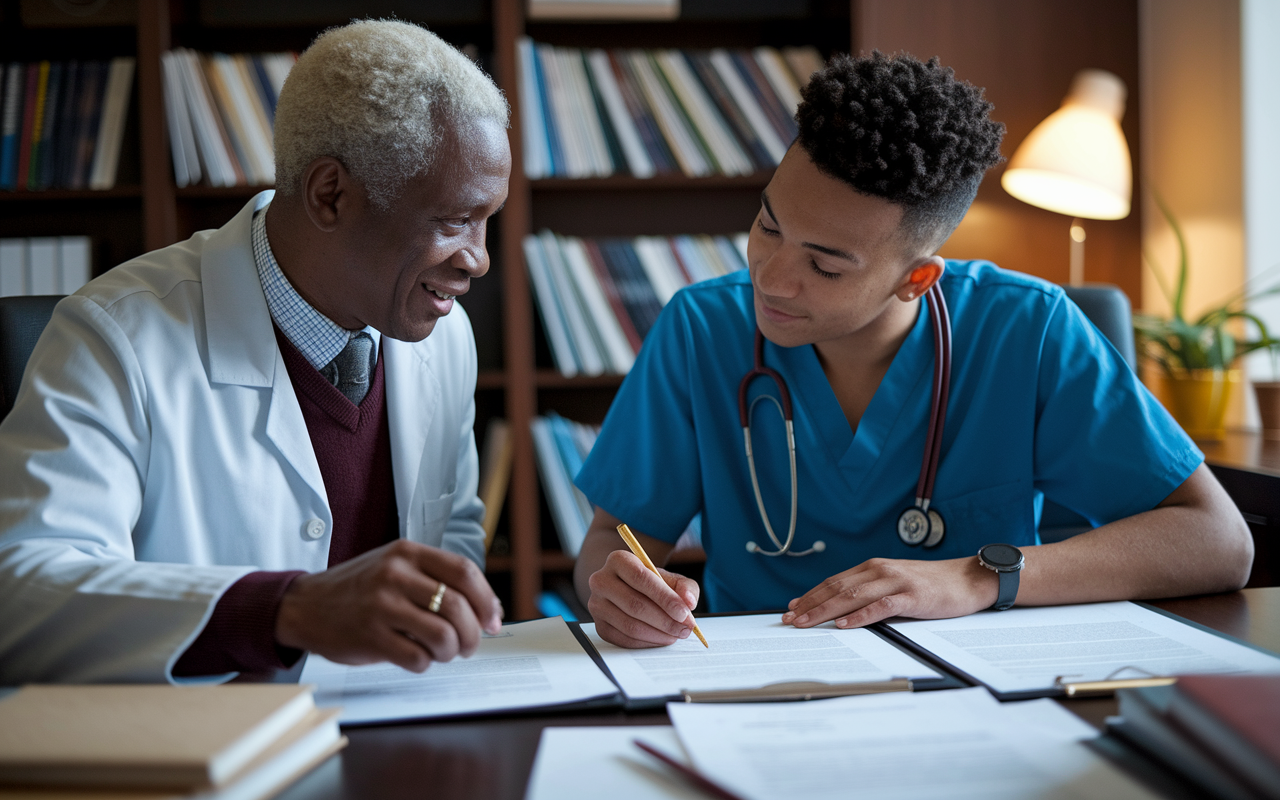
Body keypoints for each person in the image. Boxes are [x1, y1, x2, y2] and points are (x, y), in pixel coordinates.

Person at [573, 51, 1254, 649]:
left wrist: (976, 576)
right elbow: (612, 543)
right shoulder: (700, 328)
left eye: (827, 266)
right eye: (768, 226)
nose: (772, 277)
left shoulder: (1029, 329)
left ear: (917, 278)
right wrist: (620, 595)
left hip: (974, 688)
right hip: (764, 683)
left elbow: (1218, 542)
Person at [0, 20, 512, 682]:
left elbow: (452, 536)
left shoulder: (444, 336)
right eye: (454, 220)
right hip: (199, 760)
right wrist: (287, 611)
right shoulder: (113, 336)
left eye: (487, 218)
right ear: (331, 195)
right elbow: (20, 594)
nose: (480, 259)